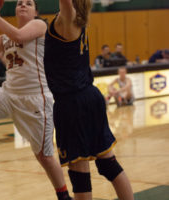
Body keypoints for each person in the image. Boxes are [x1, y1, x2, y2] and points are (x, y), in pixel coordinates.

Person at [0, 0, 72, 199]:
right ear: (15, 10)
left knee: (44, 156)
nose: (23, 5)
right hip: (8, 94)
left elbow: (19, 35)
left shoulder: (40, 25)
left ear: (35, 11)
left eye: (28, 3)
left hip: (35, 99)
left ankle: (64, 196)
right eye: (19, 3)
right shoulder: (6, 36)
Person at [44, 1, 134, 200]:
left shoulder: (67, 17)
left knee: (80, 174)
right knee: (108, 164)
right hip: (89, 96)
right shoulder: (77, 18)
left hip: (72, 103)